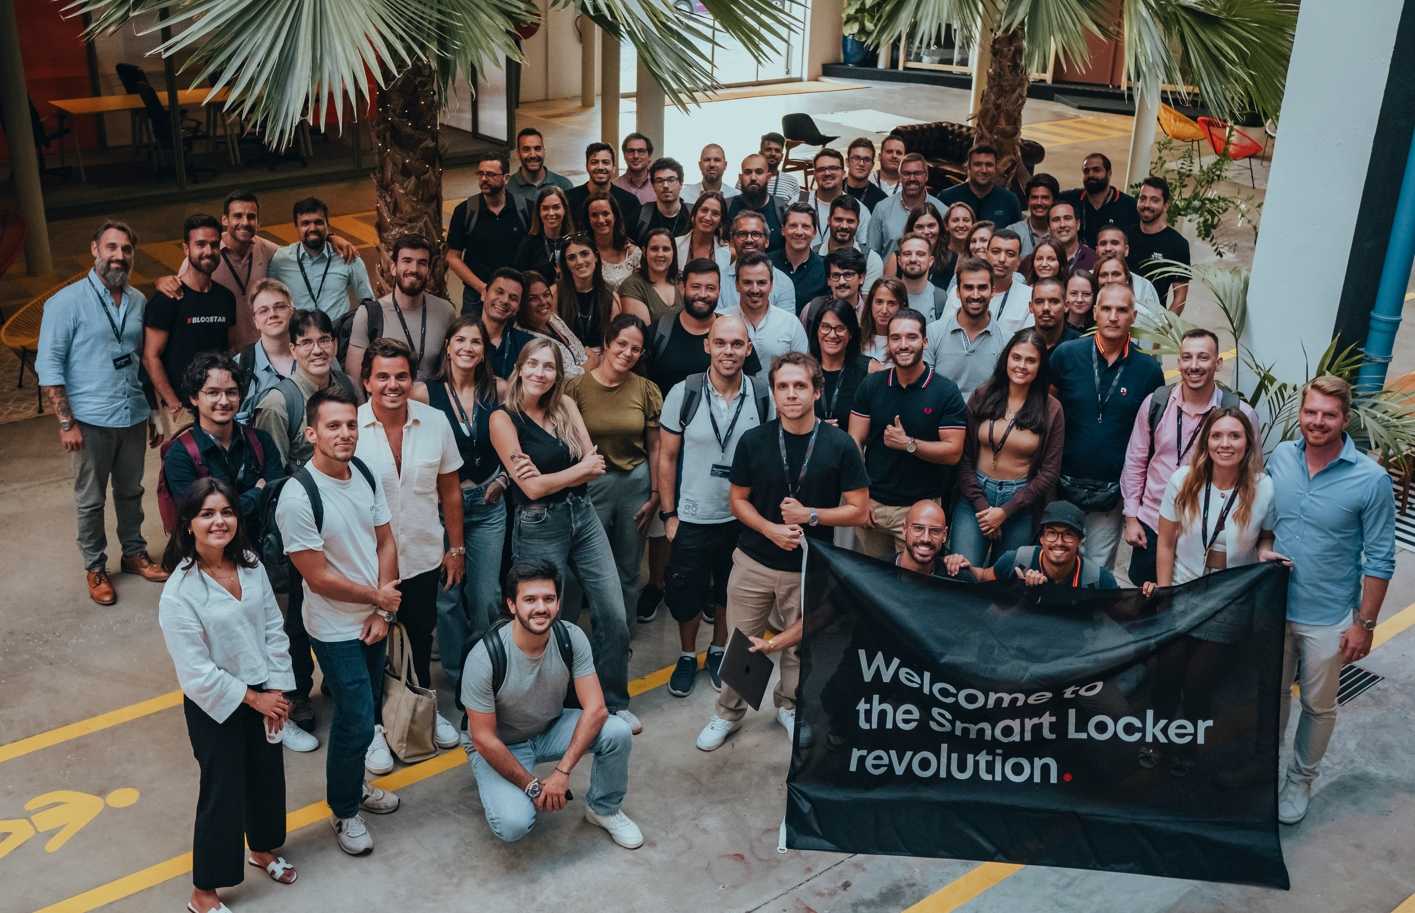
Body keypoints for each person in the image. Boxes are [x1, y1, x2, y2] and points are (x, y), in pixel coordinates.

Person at [696, 352, 870, 751]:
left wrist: (811, 515)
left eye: (800, 386)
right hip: (754, 559)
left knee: (800, 646)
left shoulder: (840, 445)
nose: (791, 394)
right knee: (744, 642)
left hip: (810, 566)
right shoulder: (754, 441)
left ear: (816, 391)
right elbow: (738, 500)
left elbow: (859, 511)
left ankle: (788, 706)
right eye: (783, 387)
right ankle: (729, 713)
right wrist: (769, 529)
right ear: (773, 393)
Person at [158, 479, 298, 913]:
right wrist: (255, 700)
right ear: (188, 524)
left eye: (226, 512)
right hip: (216, 705)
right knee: (223, 792)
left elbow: (273, 628)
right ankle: (204, 894)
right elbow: (196, 672)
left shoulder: (251, 564)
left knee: (266, 777)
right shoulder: (179, 593)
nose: (219, 522)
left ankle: (262, 850)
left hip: (265, 690)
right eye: (207, 514)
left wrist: (277, 687)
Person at [274, 386, 403, 857]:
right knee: (355, 719)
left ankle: (353, 786)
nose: (345, 433)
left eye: (350, 424)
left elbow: (386, 541)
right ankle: (345, 809)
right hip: (334, 629)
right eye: (333, 426)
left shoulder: (363, 472)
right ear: (311, 434)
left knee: (365, 716)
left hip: (374, 619)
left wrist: (383, 611)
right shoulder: (297, 497)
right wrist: (378, 598)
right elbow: (318, 577)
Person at [1263, 376, 1395, 824]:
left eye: (1329, 415)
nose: (1317, 421)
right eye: (1311, 412)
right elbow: (1266, 521)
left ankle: (1300, 780)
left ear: (1345, 419)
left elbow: (1380, 558)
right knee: (1272, 697)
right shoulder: (1281, 457)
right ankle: (1265, 772)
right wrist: (1264, 549)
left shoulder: (1371, 481)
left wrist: (1365, 624)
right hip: (1273, 607)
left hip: (1328, 616)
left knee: (1317, 706)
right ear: (1300, 413)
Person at [489, 338, 638, 733]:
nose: (540, 373)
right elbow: (532, 488)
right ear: (519, 368)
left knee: (614, 613)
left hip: (583, 516)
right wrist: (573, 473)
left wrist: (552, 477)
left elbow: (595, 463)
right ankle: (544, 709)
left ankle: (614, 702)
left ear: (558, 374)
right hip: (539, 525)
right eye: (533, 364)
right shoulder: (503, 419)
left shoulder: (566, 406)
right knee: (542, 619)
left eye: (549, 366)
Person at [463, 559, 643, 848]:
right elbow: (483, 738)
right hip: (503, 742)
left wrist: (562, 772)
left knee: (617, 731)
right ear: (511, 605)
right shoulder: (484, 658)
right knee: (513, 824)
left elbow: (596, 708)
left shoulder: (570, 636)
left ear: (558, 603)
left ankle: (603, 809)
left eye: (548, 599)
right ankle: (495, 779)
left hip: (549, 726)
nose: (541, 608)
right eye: (530, 600)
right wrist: (532, 786)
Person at [1137, 407, 1274, 775]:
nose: (1225, 444)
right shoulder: (1183, 480)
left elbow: (1266, 535)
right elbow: (1165, 542)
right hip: (1183, 589)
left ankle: (1187, 746)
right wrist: (1164, 593)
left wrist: (1264, 551)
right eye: (1217, 436)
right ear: (1206, 441)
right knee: (1167, 675)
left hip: (1230, 597)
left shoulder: (1264, 487)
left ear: (1247, 443)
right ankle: (1156, 739)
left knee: (1199, 683)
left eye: (1234, 436)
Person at [37, 220, 167, 604]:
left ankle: (133, 553)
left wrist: (152, 414)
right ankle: (95, 567)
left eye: (126, 249)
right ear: (95, 249)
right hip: (89, 420)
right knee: (90, 500)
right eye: (111, 247)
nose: (119, 256)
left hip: (131, 414)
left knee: (131, 491)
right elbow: (50, 366)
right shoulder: (65, 303)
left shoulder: (138, 301)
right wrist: (66, 423)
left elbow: (143, 362)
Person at [355, 338, 466, 758]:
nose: (393, 385)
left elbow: (450, 491)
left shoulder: (435, 422)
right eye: (382, 376)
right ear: (366, 381)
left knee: (419, 637)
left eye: (401, 376)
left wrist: (456, 549)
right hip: (367, 563)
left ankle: (423, 711)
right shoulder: (351, 427)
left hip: (421, 556)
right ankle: (373, 726)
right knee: (370, 644)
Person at [249, 309, 358, 732]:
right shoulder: (280, 403)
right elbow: (272, 475)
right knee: (296, 614)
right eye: (307, 342)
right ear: (292, 349)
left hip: (343, 521)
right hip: (300, 526)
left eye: (324, 339)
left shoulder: (346, 387)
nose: (317, 349)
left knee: (342, 602)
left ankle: (336, 677)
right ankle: (296, 693)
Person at [658, 314, 768, 695]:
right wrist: (669, 515)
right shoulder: (683, 393)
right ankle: (688, 654)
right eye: (720, 343)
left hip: (741, 517)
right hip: (692, 515)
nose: (728, 351)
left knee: (728, 590)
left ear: (748, 349)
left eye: (737, 344)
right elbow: (667, 458)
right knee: (685, 592)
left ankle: (719, 649)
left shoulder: (761, 395)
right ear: (707, 346)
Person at [425, 318, 510, 731]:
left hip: (489, 504)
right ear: (447, 345)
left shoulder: (500, 390)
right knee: (447, 598)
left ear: (483, 350)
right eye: (460, 339)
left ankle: (484, 674)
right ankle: (460, 680)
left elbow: (525, 436)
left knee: (487, 597)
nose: (467, 347)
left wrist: (505, 478)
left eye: (475, 341)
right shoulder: (425, 393)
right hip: (443, 507)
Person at [1122, 328, 1257, 585]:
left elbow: (1250, 474)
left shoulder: (1240, 414)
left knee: (1193, 604)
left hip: (1203, 533)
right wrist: (1131, 518)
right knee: (1143, 602)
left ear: (1218, 363)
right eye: (1187, 357)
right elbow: (1135, 461)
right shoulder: (1156, 403)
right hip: (1152, 525)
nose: (1194, 366)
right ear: (1179, 362)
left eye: (1203, 357)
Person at [1049, 285, 1165, 568]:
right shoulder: (1066, 355)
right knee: (1058, 562)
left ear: (1133, 316)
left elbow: (1151, 437)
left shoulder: (1149, 370)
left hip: (1112, 492)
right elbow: (1047, 411)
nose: (1113, 317)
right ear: (1095, 312)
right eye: (1107, 309)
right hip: (1063, 484)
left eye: (1122, 310)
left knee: (1097, 570)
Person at [156, 191, 353, 349]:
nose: (245, 222)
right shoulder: (208, 254)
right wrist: (161, 281)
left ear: (259, 223)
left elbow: (299, 252)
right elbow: (180, 283)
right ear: (224, 220)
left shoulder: (266, 250)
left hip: (263, 351)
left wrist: (330, 237)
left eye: (251, 217)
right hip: (225, 351)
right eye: (237, 216)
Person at [567, 315, 662, 637]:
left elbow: (655, 446)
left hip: (635, 482)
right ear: (607, 343)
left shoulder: (646, 389)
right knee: (581, 565)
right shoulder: (576, 388)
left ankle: (619, 637)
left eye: (636, 348)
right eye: (622, 344)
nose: (627, 353)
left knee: (628, 567)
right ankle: (573, 639)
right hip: (591, 484)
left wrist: (656, 494)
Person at [848, 308, 967, 557]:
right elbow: (854, 441)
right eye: (896, 338)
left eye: (911, 337)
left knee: (914, 579)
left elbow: (953, 452)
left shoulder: (945, 391)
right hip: (874, 506)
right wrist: (859, 498)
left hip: (921, 511)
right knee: (871, 576)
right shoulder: (871, 385)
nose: (903, 344)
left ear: (925, 341)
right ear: (888, 343)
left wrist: (908, 444)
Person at [950, 328, 1064, 567]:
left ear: (1040, 366)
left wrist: (1004, 512)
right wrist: (984, 509)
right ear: (1006, 359)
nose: (1022, 365)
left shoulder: (1052, 409)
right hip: (975, 496)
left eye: (1030, 360)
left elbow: (1049, 472)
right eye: (1016, 357)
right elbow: (963, 455)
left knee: (1008, 579)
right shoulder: (982, 395)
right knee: (962, 571)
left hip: (1021, 502)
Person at [163, 352, 282, 544]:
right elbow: (201, 517)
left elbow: (277, 498)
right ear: (194, 397)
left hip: (264, 548)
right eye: (213, 393)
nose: (224, 401)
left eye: (231, 392)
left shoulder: (261, 441)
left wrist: (225, 507)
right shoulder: (180, 455)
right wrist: (257, 493)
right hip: (211, 554)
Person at [144, 213, 239, 439]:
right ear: (186, 248)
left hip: (219, 403)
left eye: (214, 245)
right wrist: (173, 403)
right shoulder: (167, 298)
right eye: (200, 244)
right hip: (183, 409)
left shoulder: (225, 298)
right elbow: (150, 357)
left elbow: (230, 350)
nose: (208, 251)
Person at [344, 235, 457, 385]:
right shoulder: (369, 315)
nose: (414, 269)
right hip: (385, 399)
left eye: (422, 263)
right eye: (407, 261)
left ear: (429, 271)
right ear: (393, 268)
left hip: (431, 399)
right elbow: (355, 382)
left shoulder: (446, 312)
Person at [952, 500, 1119, 588]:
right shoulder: (1017, 560)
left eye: (1068, 535)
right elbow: (982, 577)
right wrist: (961, 564)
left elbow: (1121, 614)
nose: (1059, 542)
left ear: (1079, 540)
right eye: (1052, 533)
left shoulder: (1098, 579)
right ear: (1042, 538)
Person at [446, 154, 530, 315]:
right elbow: (452, 257)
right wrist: (482, 287)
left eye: (491, 174)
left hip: (515, 295)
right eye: (481, 174)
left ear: (506, 178)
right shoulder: (465, 211)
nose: (484, 179)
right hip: (476, 297)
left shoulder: (524, 209)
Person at [267, 197, 375, 319]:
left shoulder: (347, 256)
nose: (312, 228)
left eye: (318, 222)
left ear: (327, 225)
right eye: (305, 223)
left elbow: (368, 302)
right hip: (298, 330)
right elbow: (270, 300)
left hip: (338, 330)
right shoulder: (280, 260)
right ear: (296, 227)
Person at [719, 251, 810, 386]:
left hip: (777, 399)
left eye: (761, 283)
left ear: (771, 285)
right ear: (737, 285)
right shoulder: (720, 321)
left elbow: (802, 373)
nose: (755, 290)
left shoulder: (790, 324)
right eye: (747, 282)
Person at [557, 235, 649, 368]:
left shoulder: (611, 298)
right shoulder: (556, 293)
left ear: (595, 257)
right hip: (564, 365)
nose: (579, 261)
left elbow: (613, 344)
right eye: (572, 257)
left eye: (584, 254)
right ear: (565, 263)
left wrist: (595, 365)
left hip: (601, 365)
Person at [923, 257, 1006, 401]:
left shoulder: (1006, 338)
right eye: (968, 287)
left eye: (982, 287)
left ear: (992, 291)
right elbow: (925, 385)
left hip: (987, 413)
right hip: (942, 412)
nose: (975, 295)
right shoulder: (933, 332)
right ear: (957, 292)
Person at [942, 228, 1033, 338]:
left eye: (1010, 254)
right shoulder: (963, 290)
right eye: (996, 252)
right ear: (986, 254)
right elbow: (945, 333)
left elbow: (1027, 340)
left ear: (1018, 261)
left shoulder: (1029, 296)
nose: (1002, 259)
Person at [235, 279, 297, 423]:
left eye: (280, 307)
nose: (272, 314)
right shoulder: (239, 365)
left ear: (292, 312)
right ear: (255, 321)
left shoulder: (314, 355)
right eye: (263, 310)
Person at [718, 211, 797, 313]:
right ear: (732, 240)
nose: (749, 240)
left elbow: (784, 322)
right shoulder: (719, 281)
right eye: (742, 234)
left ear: (767, 241)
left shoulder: (783, 283)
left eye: (755, 234)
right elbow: (717, 320)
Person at [866, 153, 945, 255]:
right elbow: (872, 253)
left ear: (926, 176)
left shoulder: (942, 211)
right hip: (890, 266)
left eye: (917, 173)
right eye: (906, 174)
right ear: (899, 177)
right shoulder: (882, 209)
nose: (912, 178)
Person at [809, 299, 870, 428]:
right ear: (817, 330)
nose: (832, 335)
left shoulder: (869, 371)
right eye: (825, 327)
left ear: (851, 333)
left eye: (840, 328)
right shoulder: (802, 370)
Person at [1061, 152, 1139, 248]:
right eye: (1086, 171)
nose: (1090, 174)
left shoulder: (1129, 205)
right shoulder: (1069, 200)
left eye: (1096, 170)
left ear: (1109, 173)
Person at [517, 270, 588, 376]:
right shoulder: (524, 339)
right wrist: (589, 366)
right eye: (533, 298)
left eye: (546, 295)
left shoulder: (552, 318)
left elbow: (582, 352)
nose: (543, 302)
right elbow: (563, 379)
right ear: (521, 303)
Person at [939, 145, 1022, 227]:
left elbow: (1017, 233)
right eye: (977, 164)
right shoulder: (947, 198)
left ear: (995, 168)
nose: (984, 170)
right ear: (968, 167)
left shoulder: (1010, 200)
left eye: (989, 165)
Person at [566, 142, 643, 230]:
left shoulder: (630, 202)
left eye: (605, 162)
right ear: (587, 166)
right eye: (594, 162)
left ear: (613, 168)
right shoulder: (569, 199)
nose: (600, 167)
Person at [816, 195, 884, 290]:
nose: (844, 226)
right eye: (838, 220)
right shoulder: (812, 255)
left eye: (850, 221)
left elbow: (868, 298)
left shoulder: (871, 259)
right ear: (829, 221)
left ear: (858, 223)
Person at [480, 268, 537, 380]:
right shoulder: (461, 337)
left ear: (519, 307)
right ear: (484, 294)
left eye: (513, 298)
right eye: (499, 292)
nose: (505, 300)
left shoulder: (527, 344)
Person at [806, 150, 872, 244]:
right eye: (821, 169)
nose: (827, 173)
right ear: (814, 174)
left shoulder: (859, 209)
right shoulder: (800, 200)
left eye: (833, 168)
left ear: (843, 173)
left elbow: (863, 247)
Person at [883, 203, 954, 290]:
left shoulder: (952, 258)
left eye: (931, 226)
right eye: (920, 227)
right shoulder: (898, 258)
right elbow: (887, 292)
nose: (926, 231)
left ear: (940, 227)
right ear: (911, 230)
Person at [772, 203, 829, 312]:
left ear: (814, 232)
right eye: (793, 226)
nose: (799, 232)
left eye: (805, 226)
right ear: (783, 230)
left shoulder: (825, 268)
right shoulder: (767, 264)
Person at [1095, 228, 1162, 318]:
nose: (1108, 248)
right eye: (1103, 243)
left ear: (1126, 250)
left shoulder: (1144, 286)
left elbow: (1155, 321)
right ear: (1096, 250)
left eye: (1115, 243)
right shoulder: (1084, 281)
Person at [618, 227, 683, 322]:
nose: (660, 254)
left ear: (673, 252)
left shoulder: (682, 280)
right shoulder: (632, 286)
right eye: (654, 249)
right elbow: (642, 329)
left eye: (666, 249)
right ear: (644, 252)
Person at [728, 153, 787, 253]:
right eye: (748, 172)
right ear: (740, 178)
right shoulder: (727, 207)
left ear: (768, 177)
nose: (753, 178)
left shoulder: (782, 209)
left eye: (759, 172)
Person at [513, 185, 576, 279]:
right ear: (539, 212)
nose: (551, 213)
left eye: (556, 207)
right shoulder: (528, 244)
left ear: (565, 209)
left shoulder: (575, 241)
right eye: (545, 208)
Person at [798, 248, 868, 330]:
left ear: (861, 278)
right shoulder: (811, 310)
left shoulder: (870, 314)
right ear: (828, 280)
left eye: (848, 275)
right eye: (836, 275)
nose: (841, 282)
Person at [585, 193, 642, 291]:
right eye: (594, 215)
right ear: (588, 220)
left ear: (615, 216)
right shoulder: (583, 252)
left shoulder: (632, 252)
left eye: (605, 214)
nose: (601, 220)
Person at [506, 126, 574, 208]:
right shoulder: (508, 188)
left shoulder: (564, 185)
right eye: (526, 149)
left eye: (537, 148)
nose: (533, 155)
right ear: (518, 153)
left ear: (544, 151)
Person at [635, 157, 692, 242]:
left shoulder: (693, 214)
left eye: (671, 180)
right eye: (659, 181)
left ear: (681, 183)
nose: (665, 185)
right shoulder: (640, 214)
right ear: (653, 185)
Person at [894, 233, 950, 320]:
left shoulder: (940, 298)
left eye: (920, 254)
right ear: (899, 261)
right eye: (907, 254)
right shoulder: (888, 294)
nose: (913, 259)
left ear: (930, 261)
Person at [676, 191, 733, 274]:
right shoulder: (675, 245)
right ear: (694, 214)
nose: (707, 218)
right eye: (704, 210)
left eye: (715, 213)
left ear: (721, 222)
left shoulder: (729, 253)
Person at [1006, 173, 1060, 258]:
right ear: (1028, 201)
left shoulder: (1061, 231)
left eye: (1045, 198)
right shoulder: (1013, 231)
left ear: (1054, 201)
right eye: (1034, 197)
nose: (1039, 202)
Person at [859, 277, 906, 367]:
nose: (884, 310)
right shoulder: (856, 338)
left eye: (891, 303)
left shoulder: (906, 343)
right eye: (879, 302)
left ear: (901, 306)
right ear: (870, 303)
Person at [1028, 276, 1079, 351]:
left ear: (1066, 306)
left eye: (1054, 302)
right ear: (1031, 307)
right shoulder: (1019, 342)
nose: (1046, 308)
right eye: (1039, 302)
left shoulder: (1080, 345)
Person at [1048, 198, 1098, 275]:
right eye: (1056, 220)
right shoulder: (1037, 261)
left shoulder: (1094, 260)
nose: (1062, 225)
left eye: (1067, 218)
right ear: (1049, 228)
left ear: (1078, 224)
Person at [843, 138, 889, 212]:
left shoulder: (881, 200)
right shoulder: (834, 190)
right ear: (847, 162)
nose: (861, 164)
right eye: (856, 158)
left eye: (866, 159)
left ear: (872, 165)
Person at [758, 132, 802, 204]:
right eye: (768, 149)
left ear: (782, 156)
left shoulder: (793, 182)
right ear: (760, 154)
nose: (773, 154)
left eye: (777, 151)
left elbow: (803, 208)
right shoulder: (747, 178)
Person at [614, 132, 657, 205]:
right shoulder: (614, 186)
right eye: (631, 151)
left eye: (641, 151)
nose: (636, 156)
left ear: (649, 156)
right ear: (624, 156)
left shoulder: (659, 185)